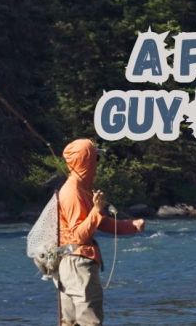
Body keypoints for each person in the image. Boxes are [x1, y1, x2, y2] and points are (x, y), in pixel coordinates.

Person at [58, 138, 145, 326]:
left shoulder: (82, 189)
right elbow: (80, 235)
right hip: (77, 264)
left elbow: (100, 223)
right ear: (84, 161)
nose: (97, 163)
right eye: (95, 158)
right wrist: (96, 209)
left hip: (72, 262)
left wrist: (131, 226)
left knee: (70, 322)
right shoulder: (72, 192)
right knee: (90, 322)